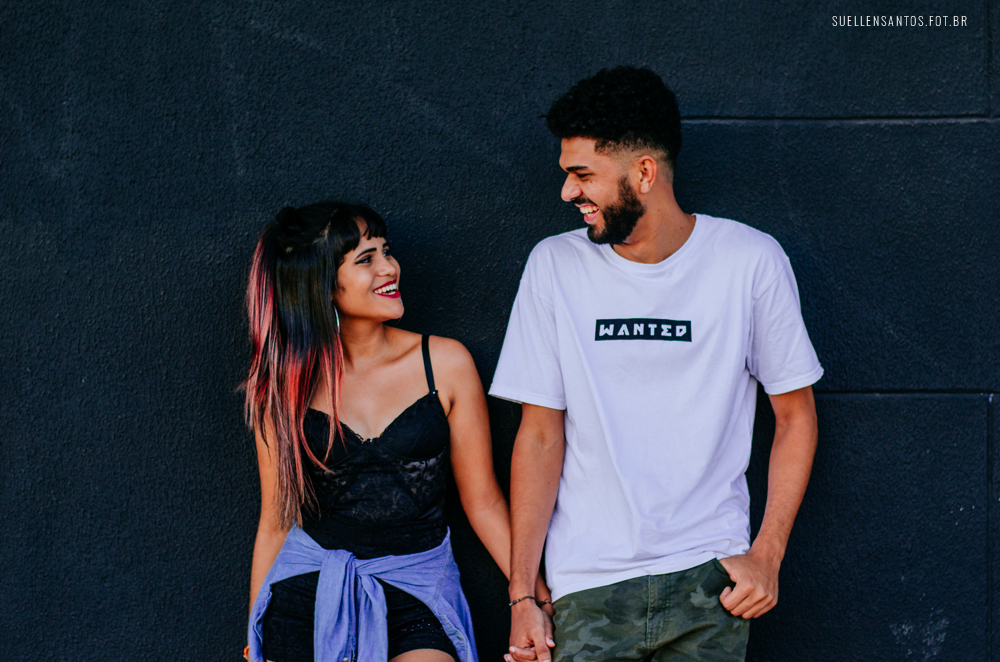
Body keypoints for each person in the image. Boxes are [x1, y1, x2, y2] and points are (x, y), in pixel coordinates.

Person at [490, 67, 823, 662]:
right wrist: (523, 596)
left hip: (711, 583)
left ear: (643, 173)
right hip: (586, 586)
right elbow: (539, 437)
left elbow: (796, 417)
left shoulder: (749, 260)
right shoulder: (554, 266)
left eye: (582, 175)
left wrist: (767, 555)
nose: (567, 192)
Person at [242, 201, 550, 662]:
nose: (389, 267)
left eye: (386, 251)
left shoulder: (444, 364)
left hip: (417, 589)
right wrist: (255, 639)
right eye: (366, 259)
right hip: (309, 597)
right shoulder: (285, 388)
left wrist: (531, 597)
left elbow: (483, 501)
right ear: (322, 285)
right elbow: (275, 521)